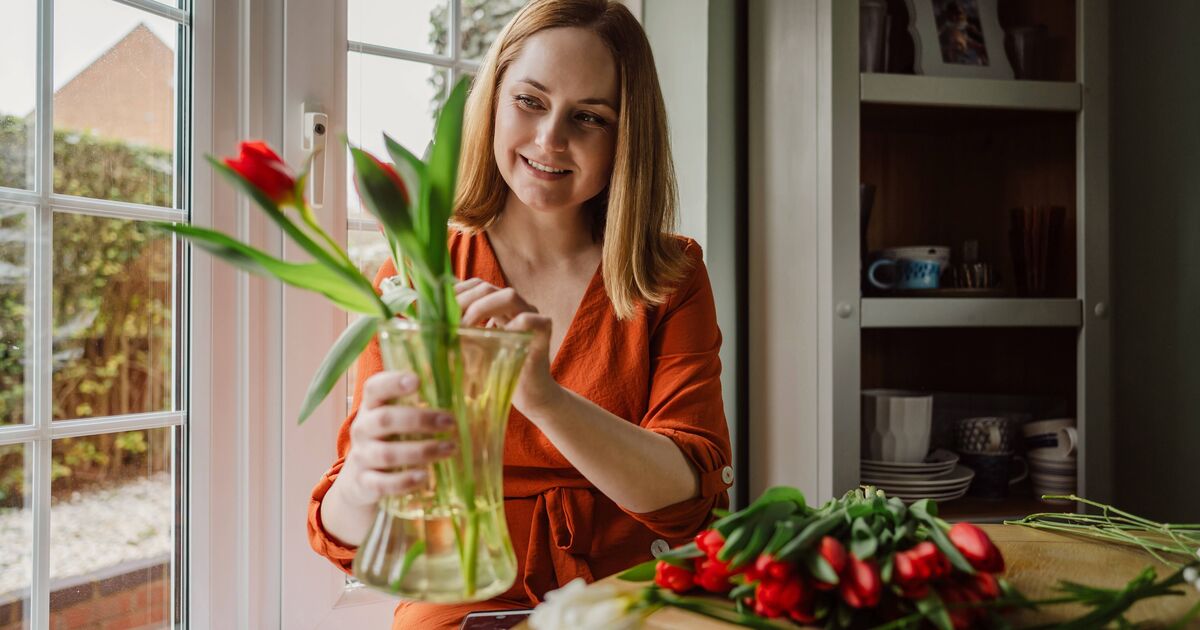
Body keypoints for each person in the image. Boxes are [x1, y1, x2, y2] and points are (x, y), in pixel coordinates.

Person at [307, 1, 732, 627]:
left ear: (627, 137)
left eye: (589, 117)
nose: (550, 139)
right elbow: (345, 536)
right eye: (530, 101)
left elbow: (690, 496)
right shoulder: (421, 274)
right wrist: (369, 471)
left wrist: (543, 397)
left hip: (630, 600)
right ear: (494, 102)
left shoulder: (669, 274)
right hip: (463, 604)